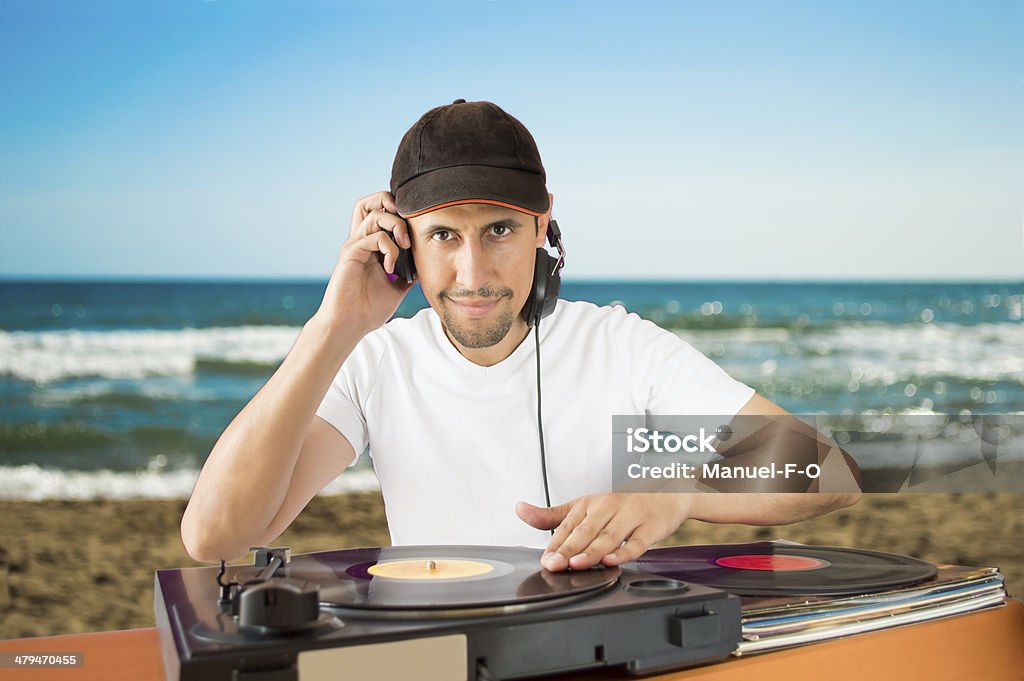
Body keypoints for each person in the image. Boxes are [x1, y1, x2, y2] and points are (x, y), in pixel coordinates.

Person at [181, 100, 860, 571]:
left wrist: (672, 493)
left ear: (543, 226)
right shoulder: (376, 363)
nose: (472, 274)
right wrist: (334, 327)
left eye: (499, 230)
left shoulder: (620, 349)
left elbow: (829, 471)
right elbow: (215, 535)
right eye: (443, 235)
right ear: (400, 243)